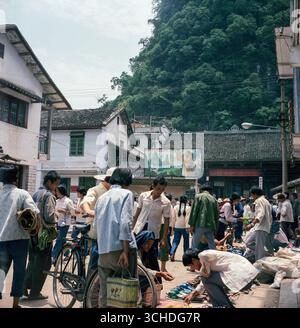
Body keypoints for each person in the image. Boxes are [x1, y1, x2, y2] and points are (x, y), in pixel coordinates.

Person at [95, 168, 137, 308]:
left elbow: (97, 225)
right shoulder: (126, 194)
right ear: (127, 180)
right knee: (125, 292)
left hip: (103, 250)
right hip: (120, 249)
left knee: (105, 294)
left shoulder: (102, 198)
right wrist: (125, 251)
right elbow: (126, 223)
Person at [0, 166, 39, 308]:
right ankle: (15, 304)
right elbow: (34, 212)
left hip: (1, 240)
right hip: (20, 240)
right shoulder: (22, 194)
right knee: (19, 272)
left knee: (0, 272)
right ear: (16, 179)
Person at [23, 171, 60, 301]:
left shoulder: (36, 193)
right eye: (55, 184)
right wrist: (57, 217)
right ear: (49, 182)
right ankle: (35, 292)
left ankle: (25, 287)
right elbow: (50, 217)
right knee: (44, 264)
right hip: (44, 235)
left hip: (33, 232)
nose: (56, 187)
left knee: (33, 261)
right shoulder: (49, 195)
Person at [182, 249, 258, 308]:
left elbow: (205, 278)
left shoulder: (202, 256)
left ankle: (222, 306)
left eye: (190, 266)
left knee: (206, 278)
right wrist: (193, 294)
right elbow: (206, 280)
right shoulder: (207, 257)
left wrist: (193, 293)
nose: (192, 268)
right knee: (207, 279)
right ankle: (224, 305)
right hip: (247, 277)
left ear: (193, 260)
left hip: (242, 277)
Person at [80, 168, 116, 271]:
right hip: (96, 228)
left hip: (111, 229)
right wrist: (89, 211)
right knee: (95, 259)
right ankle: (89, 284)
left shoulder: (115, 191)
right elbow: (86, 201)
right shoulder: (95, 190)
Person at [133, 176, 171, 272]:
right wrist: (132, 228)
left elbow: (166, 220)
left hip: (153, 232)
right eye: (158, 188)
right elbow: (137, 212)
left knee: (152, 257)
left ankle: (156, 283)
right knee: (136, 256)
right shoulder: (143, 196)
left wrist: (164, 238)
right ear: (153, 186)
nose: (160, 191)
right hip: (139, 229)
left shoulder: (166, 202)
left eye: (162, 189)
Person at [188, 184, 219, 250]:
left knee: (194, 244)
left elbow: (194, 211)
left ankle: (192, 259)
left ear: (201, 190)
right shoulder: (214, 199)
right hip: (211, 225)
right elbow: (217, 215)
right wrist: (215, 227)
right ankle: (213, 258)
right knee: (211, 245)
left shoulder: (198, 196)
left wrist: (191, 225)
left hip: (200, 224)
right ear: (210, 191)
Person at [247, 187, 273, 261]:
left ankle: (259, 266)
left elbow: (260, 214)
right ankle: (266, 254)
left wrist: (251, 224)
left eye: (252, 195)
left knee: (259, 248)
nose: (252, 197)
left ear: (255, 194)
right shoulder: (266, 201)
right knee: (249, 243)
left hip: (261, 227)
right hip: (262, 227)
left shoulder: (259, 201)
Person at [51, 185, 75, 264]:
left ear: (61, 191)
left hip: (65, 224)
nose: (56, 193)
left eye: (57, 191)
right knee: (62, 239)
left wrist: (64, 211)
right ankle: (67, 253)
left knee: (59, 240)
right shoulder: (57, 201)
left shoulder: (68, 201)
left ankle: (53, 256)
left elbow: (73, 213)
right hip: (58, 223)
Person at [170, 195, 191, 261]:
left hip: (177, 226)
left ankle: (172, 253)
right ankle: (186, 256)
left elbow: (173, 218)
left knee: (175, 241)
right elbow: (187, 219)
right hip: (185, 227)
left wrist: (173, 227)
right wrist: (188, 227)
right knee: (186, 242)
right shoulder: (188, 208)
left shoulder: (175, 207)